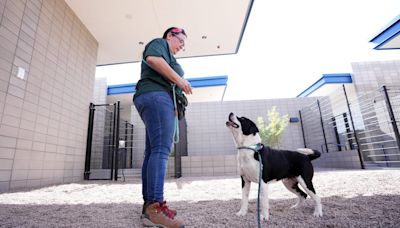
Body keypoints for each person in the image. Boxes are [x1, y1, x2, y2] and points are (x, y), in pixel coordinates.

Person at [133, 27, 192, 228]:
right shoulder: (159, 44)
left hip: (155, 98)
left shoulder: (168, 52)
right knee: (160, 151)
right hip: (156, 96)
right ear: (170, 36)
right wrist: (180, 80)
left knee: (152, 152)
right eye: (180, 42)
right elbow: (153, 59)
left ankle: (149, 204)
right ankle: (155, 208)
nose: (181, 47)